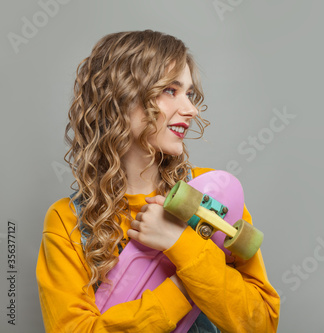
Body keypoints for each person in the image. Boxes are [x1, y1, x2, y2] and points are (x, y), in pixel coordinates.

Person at [36, 30, 280, 333]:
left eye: (189, 93)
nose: (191, 109)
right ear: (120, 98)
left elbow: (262, 323)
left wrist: (181, 244)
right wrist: (181, 289)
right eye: (170, 90)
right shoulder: (67, 222)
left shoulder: (213, 195)